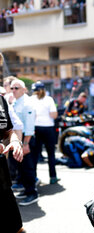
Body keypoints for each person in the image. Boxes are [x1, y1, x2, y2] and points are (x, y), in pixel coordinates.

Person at [10, 79, 38, 206]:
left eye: (16, 88)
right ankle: (27, 191)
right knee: (21, 167)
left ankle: (32, 193)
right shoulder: (16, 102)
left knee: (28, 168)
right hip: (19, 139)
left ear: (24, 89)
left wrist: (26, 143)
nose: (14, 90)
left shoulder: (27, 103)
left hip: (26, 139)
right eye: (12, 88)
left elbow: (30, 125)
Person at [0, 93, 25, 233]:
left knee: (15, 226)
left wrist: (15, 141)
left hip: (2, 177)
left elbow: (8, 132)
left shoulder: (0, 99)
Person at [30, 81, 60, 184]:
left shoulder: (31, 100)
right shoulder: (49, 99)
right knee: (51, 154)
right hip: (48, 128)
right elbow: (54, 115)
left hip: (36, 128)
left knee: (35, 155)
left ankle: (34, 177)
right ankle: (53, 177)